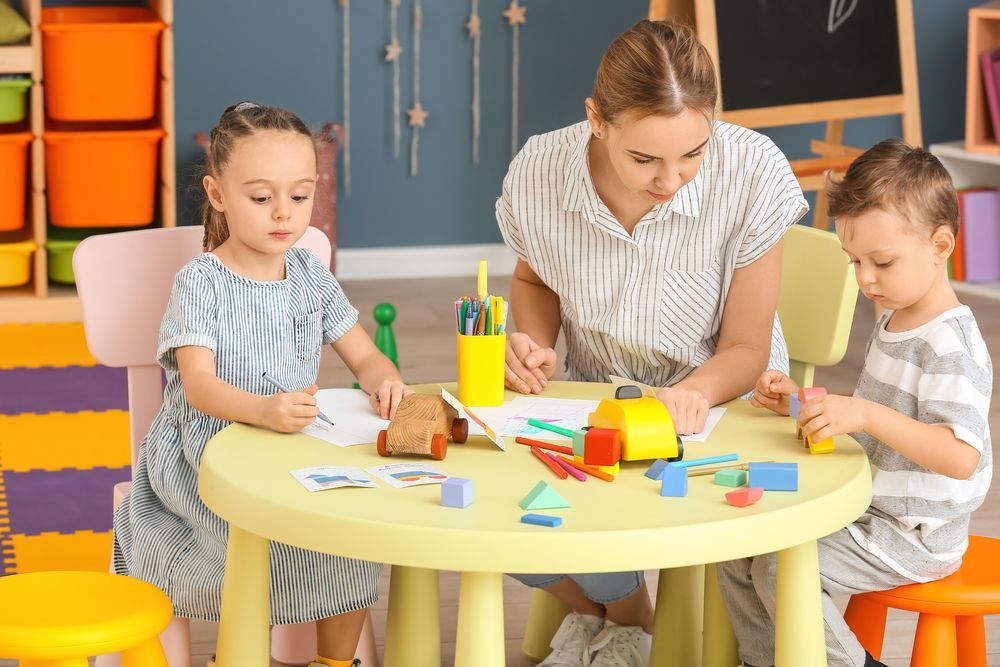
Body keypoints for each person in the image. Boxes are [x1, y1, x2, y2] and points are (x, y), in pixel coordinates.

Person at [496, 19, 807, 667]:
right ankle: (624, 617)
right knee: (504, 524)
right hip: (594, 399)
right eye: (645, 159)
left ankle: (622, 624)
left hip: (725, 407)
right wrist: (531, 341)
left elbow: (747, 348)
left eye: (693, 151)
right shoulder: (539, 170)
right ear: (596, 119)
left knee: (622, 517)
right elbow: (533, 278)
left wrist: (691, 392)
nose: (673, 179)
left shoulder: (751, 170)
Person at [112, 102, 411, 667]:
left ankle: (332, 662)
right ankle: (239, 654)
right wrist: (263, 410)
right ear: (219, 194)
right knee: (250, 548)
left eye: (300, 197)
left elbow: (365, 354)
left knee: (351, 537)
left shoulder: (308, 274)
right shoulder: (200, 282)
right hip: (207, 459)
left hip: (291, 448)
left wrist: (385, 381)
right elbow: (198, 386)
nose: (284, 214)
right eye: (261, 197)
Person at [717, 138, 993, 667]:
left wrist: (863, 412)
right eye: (855, 260)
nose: (865, 278)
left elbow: (961, 456)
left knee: (779, 568)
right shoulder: (894, 315)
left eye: (881, 262)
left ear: (941, 245)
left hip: (912, 535)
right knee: (739, 546)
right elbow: (871, 428)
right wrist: (798, 405)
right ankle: (765, 660)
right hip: (867, 507)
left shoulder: (948, 344)